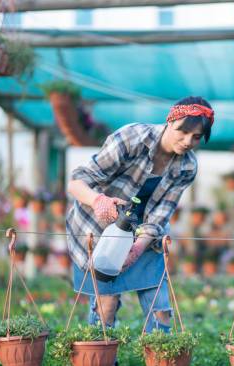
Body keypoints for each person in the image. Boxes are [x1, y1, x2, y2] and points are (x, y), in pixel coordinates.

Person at [66, 96, 214, 339]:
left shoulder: (187, 167)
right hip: (99, 230)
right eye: (183, 131)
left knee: (161, 311)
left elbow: (160, 215)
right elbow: (77, 182)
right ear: (170, 120)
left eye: (196, 137)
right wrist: (98, 200)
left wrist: (136, 248)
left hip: (143, 237)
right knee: (107, 306)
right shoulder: (132, 138)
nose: (188, 141)